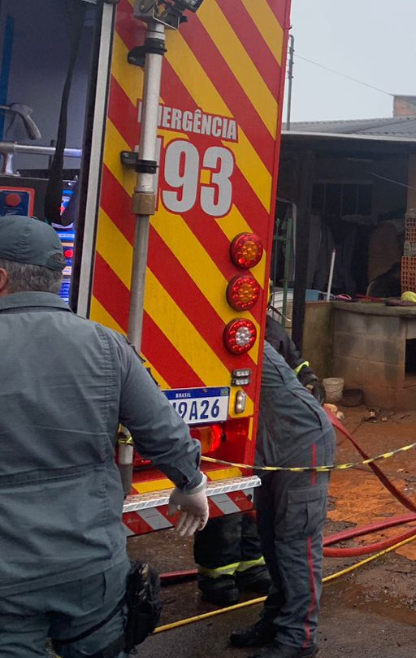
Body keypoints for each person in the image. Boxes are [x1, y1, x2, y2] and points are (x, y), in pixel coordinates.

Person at [0, 215, 209, 658]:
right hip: (91, 563)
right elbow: (163, 431)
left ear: (0, 277)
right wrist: (191, 484)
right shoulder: (107, 345)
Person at [192, 311, 324, 607]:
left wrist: (309, 381)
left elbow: (294, 360)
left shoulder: (268, 326)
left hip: (269, 435)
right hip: (236, 429)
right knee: (226, 505)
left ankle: (252, 566)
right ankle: (217, 577)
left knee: (256, 503)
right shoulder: (221, 326)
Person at [228, 336, 336, 658]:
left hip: (304, 443)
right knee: (271, 542)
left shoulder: (242, 336)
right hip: (272, 450)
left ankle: (299, 638)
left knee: (295, 545)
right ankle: (277, 620)